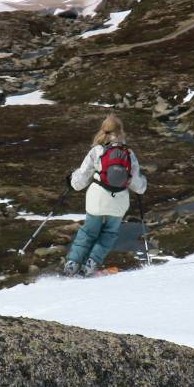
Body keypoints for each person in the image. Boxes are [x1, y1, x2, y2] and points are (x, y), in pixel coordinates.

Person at [64, 114, 147, 276]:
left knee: (88, 231)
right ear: (121, 131)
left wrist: (71, 181)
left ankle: (72, 263)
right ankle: (91, 263)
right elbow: (138, 185)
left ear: (103, 131)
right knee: (109, 233)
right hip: (119, 201)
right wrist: (143, 183)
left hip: (97, 197)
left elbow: (80, 179)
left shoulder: (97, 151)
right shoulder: (128, 153)